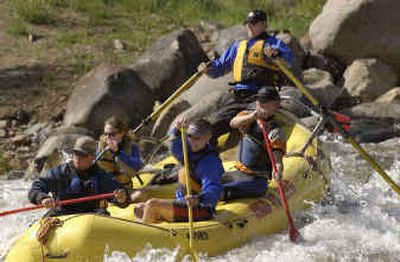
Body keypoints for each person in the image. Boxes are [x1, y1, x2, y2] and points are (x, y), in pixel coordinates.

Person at [197, 9, 294, 147]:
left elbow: (289, 61)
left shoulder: (273, 44)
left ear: (264, 24)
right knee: (212, 125)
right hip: (237, 97)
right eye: (248, 23)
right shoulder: (238, 47)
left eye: (253, 23)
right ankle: (207, 157)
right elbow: (219, 68)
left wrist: (277, 55)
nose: (249, 26)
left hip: (261, 96)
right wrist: (208, 69)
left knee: (258, 126)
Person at [134, 119, 224, 223]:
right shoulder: (188, 152)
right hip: (183, 202)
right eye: (190, 136)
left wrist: (199, 199)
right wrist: (177, 130)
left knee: (151, 205)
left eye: (197, 138)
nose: (193, 141)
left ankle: (147, 236)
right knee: (139, 208)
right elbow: (174, 146)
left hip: (200, 208)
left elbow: (214, 188)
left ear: (208, 137)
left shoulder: (210, 162)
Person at [28, 136, 130, 217]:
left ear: (92, 157)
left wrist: (121, 198)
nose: (77, 158)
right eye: (76, 153)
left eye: (82, 154)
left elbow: (121, 195)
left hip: (92, 216)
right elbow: (35, 189)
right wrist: (42, 198)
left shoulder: (100, 175)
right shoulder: (60, 172)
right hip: (62, 214)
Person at [221, 87, 286, 201]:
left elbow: (277, 160)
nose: (259, 104)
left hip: (256, 180)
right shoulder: (249, 116)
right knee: (210, 182)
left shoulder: (275, 131)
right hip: (239, 172)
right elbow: (233, 123)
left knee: (218, 190)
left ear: (276, 104)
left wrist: (278, 171)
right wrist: (253, 116)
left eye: (264, 102)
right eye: (259, 101)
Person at [97, 116, 143, 189]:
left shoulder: (131, 146)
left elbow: (137, 165)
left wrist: (118, 152)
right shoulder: (101, 147)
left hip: (124, 188)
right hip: (106, 188)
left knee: (141, 195)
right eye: (106, 134)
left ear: (121, 133)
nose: (108, 137)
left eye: (112, 134)